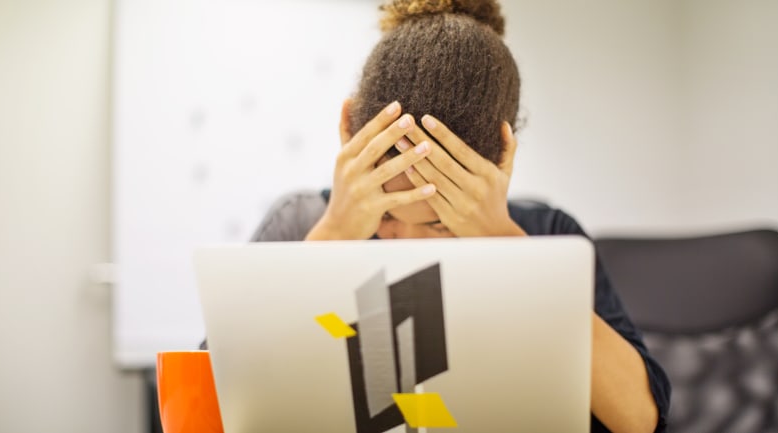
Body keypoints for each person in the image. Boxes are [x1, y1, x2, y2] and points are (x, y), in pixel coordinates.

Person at [225, 0, 671, 431]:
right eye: (385, 213)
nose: (411, 245)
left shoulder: (545, 235)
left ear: (502, 162)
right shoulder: (300, 225)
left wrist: (507, 246)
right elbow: (211, 406)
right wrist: (336, 234)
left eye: (442, 223)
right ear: (348, 129)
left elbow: (639, 419)